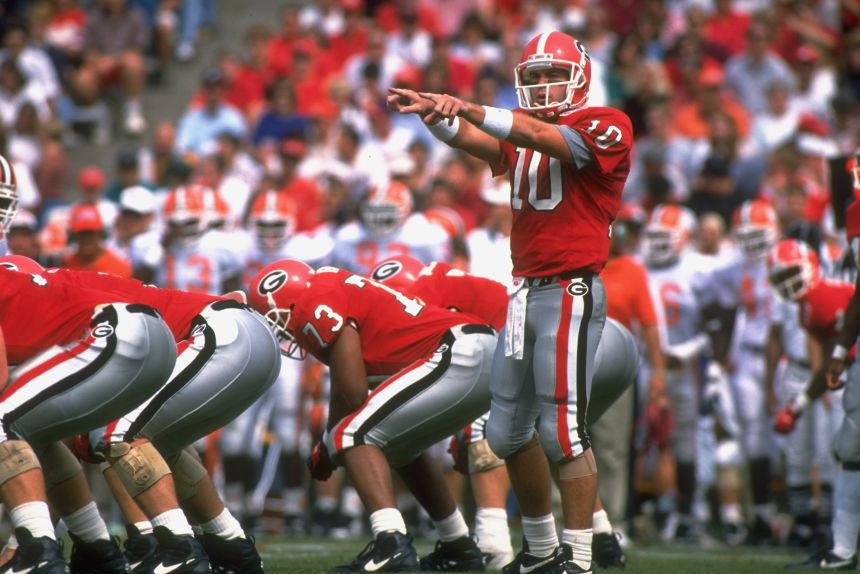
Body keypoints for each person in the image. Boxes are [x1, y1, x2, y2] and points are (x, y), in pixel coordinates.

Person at [388, 30, 633, 573]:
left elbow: (544, 138)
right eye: (535, 75)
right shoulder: (521, 132)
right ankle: (541, 549)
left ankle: (579, 557)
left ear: (580, 77)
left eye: (554, 74)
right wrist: (435, 115)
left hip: (570, 287)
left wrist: (469, 106)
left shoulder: (607, 122)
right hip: (523, 293)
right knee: (505, 433)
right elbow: (478, 141)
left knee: (563, 430)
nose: (543, 85)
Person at [249, 259, 497, 572]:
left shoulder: (315, 301)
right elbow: (344, 388)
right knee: (400, 446)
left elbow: (353, 393)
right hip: (474, 350)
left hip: (458, 352)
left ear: (287, 301)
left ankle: (390, 543)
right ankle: (458, 546)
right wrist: (327, 443)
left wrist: (330, 442)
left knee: (351, 434)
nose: (283, 331)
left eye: (276, 320)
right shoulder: (330, 286)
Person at [0, 265, 177, 573]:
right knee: (37, 434)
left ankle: (36, 549)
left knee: (4, 422)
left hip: (116, 333)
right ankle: (97, 547)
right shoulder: (33, 299)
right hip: (149, 334)